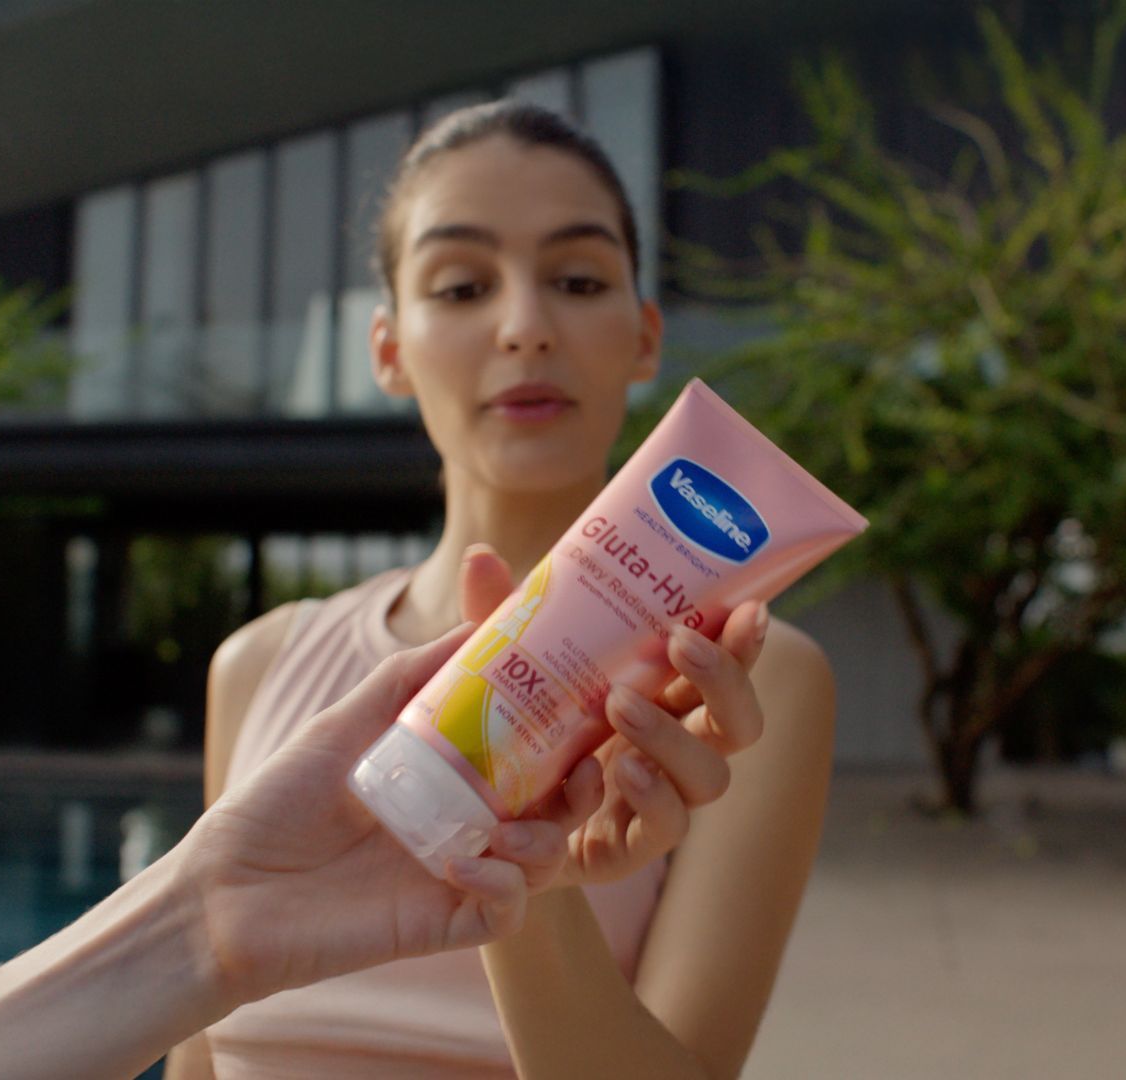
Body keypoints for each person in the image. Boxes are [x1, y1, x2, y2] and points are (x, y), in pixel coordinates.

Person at [168, 101, 839, 1079]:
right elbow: (196, 1052)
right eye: (462, 286)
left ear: (644, 338)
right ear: (389, 348)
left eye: (577, 280)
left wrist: (527, 872)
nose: (525, 327)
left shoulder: (745, 686)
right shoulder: (259, 667)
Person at [0, 622, 609, 1080]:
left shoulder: (661, 727)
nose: (525, 355)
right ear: (387, 363)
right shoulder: (264, 660)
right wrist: (205, 930)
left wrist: (207, 931)